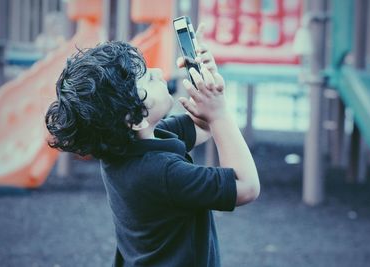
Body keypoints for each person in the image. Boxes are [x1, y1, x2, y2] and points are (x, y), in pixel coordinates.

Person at [45, 24, 260, 267]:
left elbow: (203, 126)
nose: (158, 72)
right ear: (135, 119)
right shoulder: (162, 172)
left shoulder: (127, 148)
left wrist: (208, 88)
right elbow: (246, 186)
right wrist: (219, 112)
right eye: (147, 78)